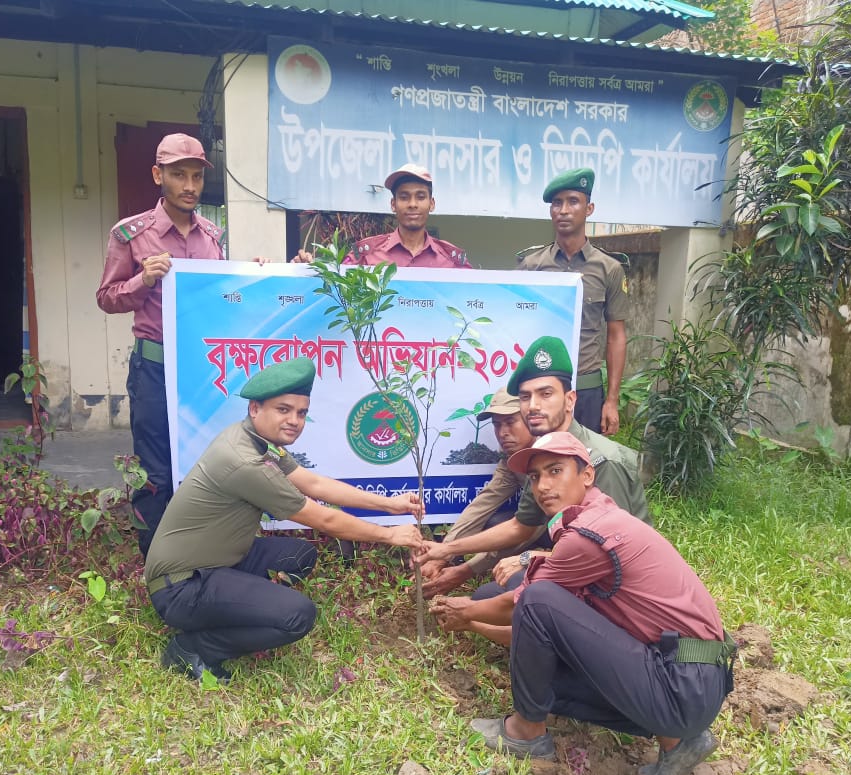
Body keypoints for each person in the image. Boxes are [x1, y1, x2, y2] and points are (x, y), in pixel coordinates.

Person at [429, 431, 735, 775]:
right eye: (535, 476)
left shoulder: (588, 535)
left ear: (587, 475)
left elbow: (526, 608)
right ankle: (679, 742)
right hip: (694, 676)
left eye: (555, 471)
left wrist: (467, 611)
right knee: (544, 670)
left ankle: (526, 731)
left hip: (682, 687)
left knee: (537, 599)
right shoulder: (599, 516)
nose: (543, 485)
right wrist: (475, 622)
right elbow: (532, 632)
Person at [145, 357, 423, 681]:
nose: (294, 420)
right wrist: (390, 535)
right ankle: (193, 648)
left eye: (301, 413)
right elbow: (324, 520)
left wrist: (390, 505)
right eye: (283, 410)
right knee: (298, 615)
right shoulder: (245, 461)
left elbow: (315, 484)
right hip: (181, 587)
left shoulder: (255, 439)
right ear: (255, 408)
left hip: (215, 561)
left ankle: (239, 609)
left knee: (299, 555)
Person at [416, 335, 649, 608]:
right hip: (577, 556)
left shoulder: (601, 461)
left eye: (545, 394)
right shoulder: (541, 455)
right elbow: (519, 526)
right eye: (526, 397)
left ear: (570, 400)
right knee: (489, 596)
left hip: (619, 588)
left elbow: (614, 553)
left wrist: (529, 558)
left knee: (520, 597)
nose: (534, 406)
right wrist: (446, 549)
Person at [97, 133, 225, 558]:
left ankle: (203, 553)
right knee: (155, 469)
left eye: (196, 176)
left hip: (202, 370)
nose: (189, 186)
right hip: (154, 367)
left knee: (204, 461)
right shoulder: (131, 234)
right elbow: (107, 297)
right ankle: (157, 562)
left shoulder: (213, 236)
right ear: (158, 175)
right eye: (178, 175)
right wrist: (143, 279)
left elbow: (221, 296)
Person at [516, 168, 631, 436]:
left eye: (573, 202)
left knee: (585, 457)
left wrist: (612, 401)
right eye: (557, 203)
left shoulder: (609, 269)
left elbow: (616, 336)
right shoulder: (531, 266)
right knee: (540, 455)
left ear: (589, 209)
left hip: (587, 388)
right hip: (540, 385)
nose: (564, 210)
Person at [420, 389, 536, 599]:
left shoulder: (550, 457)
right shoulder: (511, 458)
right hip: (538, 526)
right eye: (497, 425)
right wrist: (442, 554)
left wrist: (465, 570)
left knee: (489, 594)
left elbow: (529, 527)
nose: (502, 433)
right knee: (493, 522)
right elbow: (483, 504)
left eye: (510, 422)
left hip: (568, 536)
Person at [293, 164, 471, 268]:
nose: (412, 204)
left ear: (431, 204)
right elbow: (337, 289)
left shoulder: (452, 260)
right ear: (393, 204)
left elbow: (475, 300)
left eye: (420, 197)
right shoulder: (365, 255)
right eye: (404, 197)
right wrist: (306, 271)